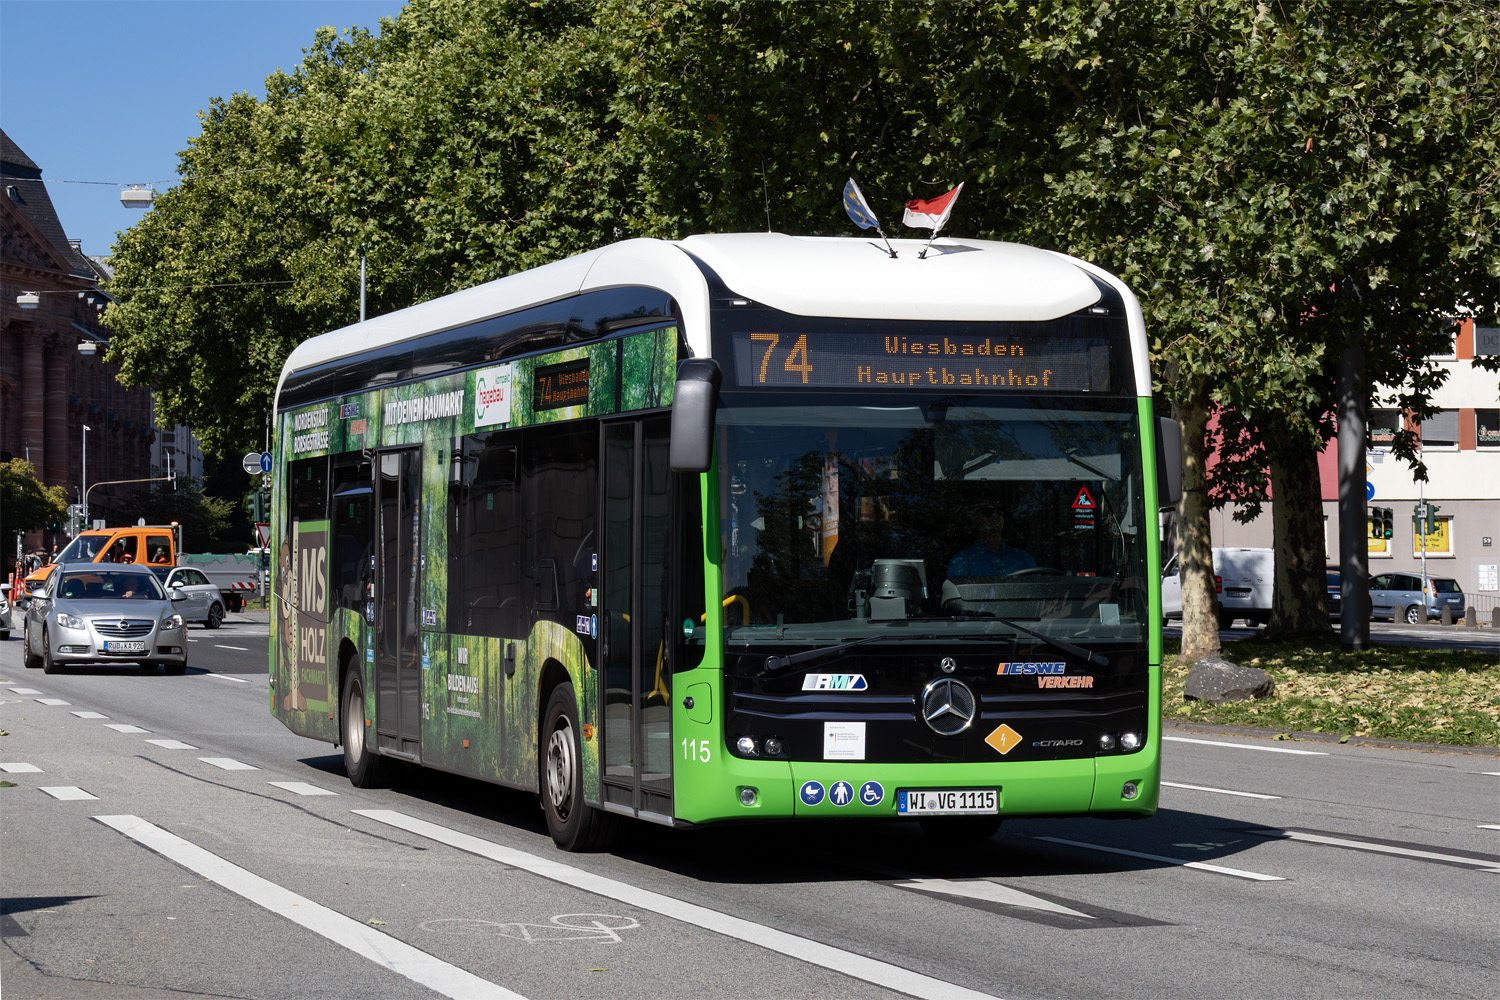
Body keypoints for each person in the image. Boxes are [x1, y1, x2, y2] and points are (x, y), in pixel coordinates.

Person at [946, 504, 1036, 577]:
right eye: (988, 511)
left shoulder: (1024, 558)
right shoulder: (962, 561)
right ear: (974, 518)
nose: (995, 516)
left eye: (999, 511)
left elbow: (1036, 591)